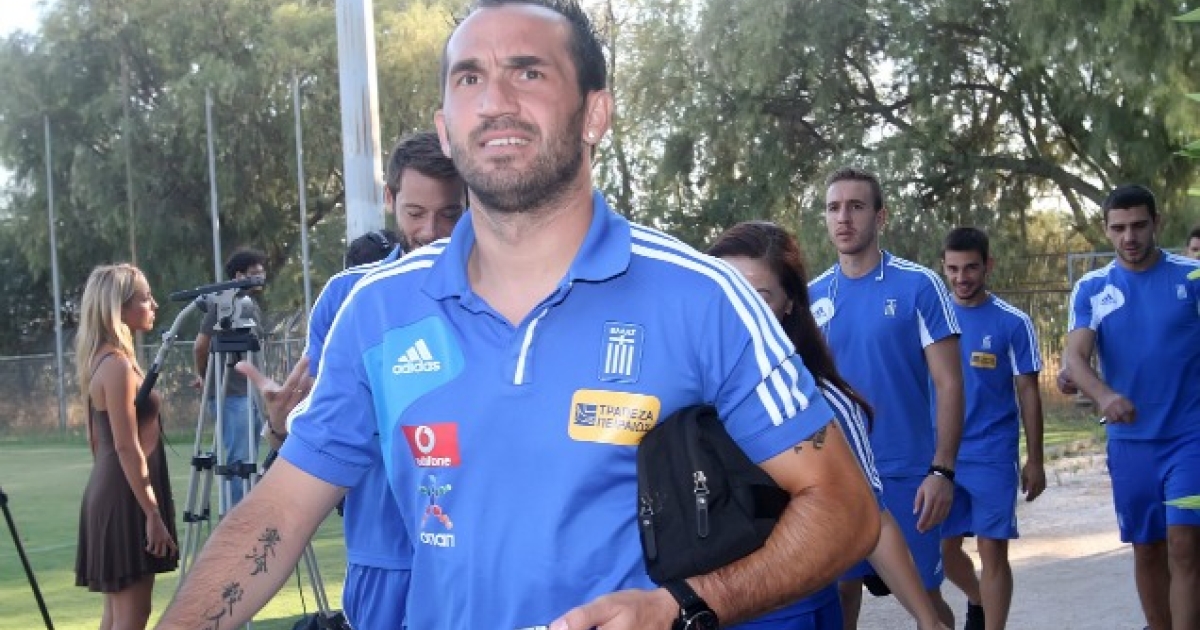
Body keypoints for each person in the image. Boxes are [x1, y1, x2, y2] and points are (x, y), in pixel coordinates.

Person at [156, 2, 879, 629]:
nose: (495, 100)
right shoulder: (377, 311)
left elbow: (844, 509)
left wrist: (684, 604)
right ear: (445, 127)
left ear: (595, 112)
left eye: (528, 72)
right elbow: (276, 514)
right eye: (469, 78)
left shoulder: (703, 298)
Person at [241, 130, 466, 630]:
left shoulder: (497, 293)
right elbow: (317, 434)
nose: (431, 231)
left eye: (450, 214)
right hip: (379, 553)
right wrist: (279, 427)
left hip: (471, 558)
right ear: (390, 199)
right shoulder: (348, 296)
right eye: (415, 213)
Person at [711, 221, 951, 630]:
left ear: (789, 304)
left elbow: (872, 519)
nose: (741, 312)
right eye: (727, 292)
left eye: (759, 297)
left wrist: (928, 620)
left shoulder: (822, 403)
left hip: (790, 616)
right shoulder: (680, 394)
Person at [807, 167, 964, 629]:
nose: (844, 217)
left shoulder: (920, 286)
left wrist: (942, 471)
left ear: (881, 217)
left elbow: (950, 384)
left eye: (856, 206)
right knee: (839, 596)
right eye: (834, 208)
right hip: (837, 475)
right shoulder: (812, 296)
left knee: (924, 599)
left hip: (906, 474)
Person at [1061, 184, 1200, 630]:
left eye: (1139, 225)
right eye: (1118, 228)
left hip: (1190, 437)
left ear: (1157, 223)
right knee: (1148, 548)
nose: (1129, 237)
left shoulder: (1192, 277)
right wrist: (1103, 395)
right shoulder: (1092, 288)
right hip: (1131, 443)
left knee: (1184, 544)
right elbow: (1074, 357)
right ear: (1106, 229)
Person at [939, 227, 1046, 630]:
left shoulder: (1012, 322)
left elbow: (1028, 392)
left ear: (988, 266)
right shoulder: (932, 317)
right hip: (942, 455)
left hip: (992, 452)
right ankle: (979, 601)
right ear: (943, 267)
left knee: (992, 550)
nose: (961, 277)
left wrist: (1035, 460)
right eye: (953, 269)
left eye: (970, 268)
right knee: (943, 550)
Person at [74, 263, 178, 630]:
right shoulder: (116, 365)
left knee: (118, 617)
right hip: (127, 496)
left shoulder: (105, 360)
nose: (154, 305)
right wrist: (152, 513)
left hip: (118, 492)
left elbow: (96, 440)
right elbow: (125, 446)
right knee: (131, 617)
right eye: (145, 298)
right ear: (118, 307)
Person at [191, 248, 267, 511]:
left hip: (251, 394)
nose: (260, 278)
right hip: (231, 395)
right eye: (254, 273)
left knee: (251, 459)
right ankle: (236, 518)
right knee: (238, 463)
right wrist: (205, 378)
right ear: (238, 276)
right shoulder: (223, 303)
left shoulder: (250, 304)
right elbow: (201, 346)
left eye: (262, 272)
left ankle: (249, 511)